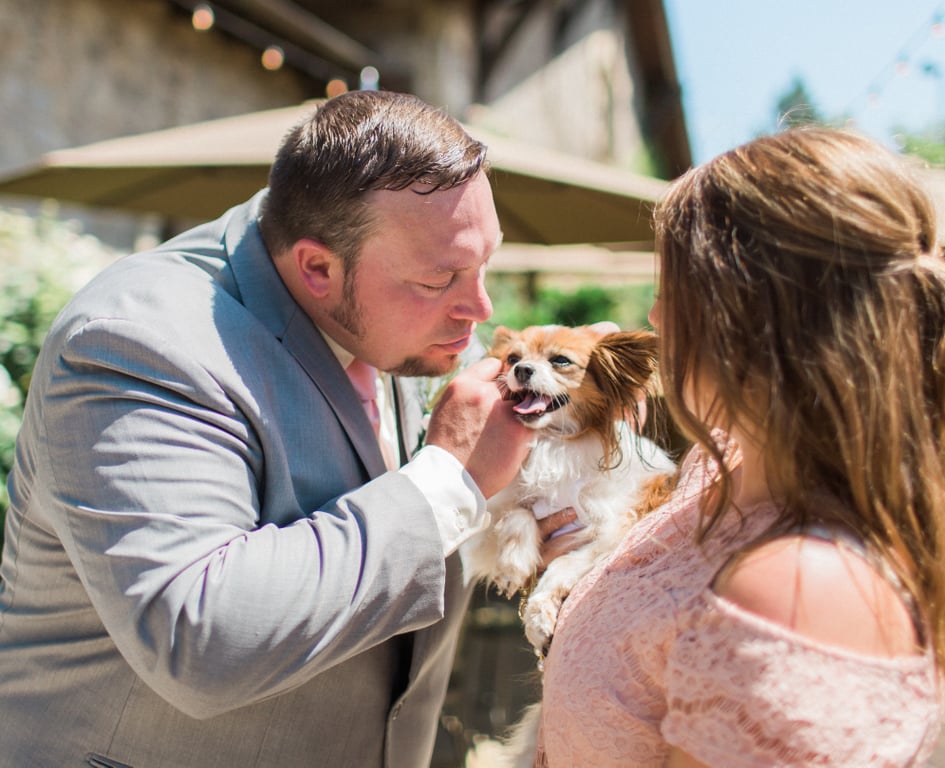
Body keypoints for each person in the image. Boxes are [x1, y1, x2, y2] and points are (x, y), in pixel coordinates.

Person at [0, 90, 573, 767]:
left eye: (486, 264)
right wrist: (447, 479)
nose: (478, 309)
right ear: (318, 268)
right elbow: (203, 637)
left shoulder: (402, 314)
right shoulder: (137, 341)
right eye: (440, 278)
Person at [532, 126, 945, 766]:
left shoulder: (796, 589)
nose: (652, 318)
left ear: (743, 318)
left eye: (669, 288)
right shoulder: (722, 468)